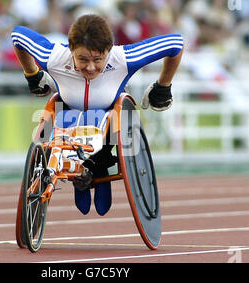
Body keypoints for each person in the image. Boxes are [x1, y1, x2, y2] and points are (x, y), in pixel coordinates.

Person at [11, 14, 183, 216]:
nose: (90, 67)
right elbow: (17, 36)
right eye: (82, 59)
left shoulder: (123, 58)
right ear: (71, 50)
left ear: (108, 52)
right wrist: (32, 74)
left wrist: (163, 86)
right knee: (60, 119)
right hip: (66, 118)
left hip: (107, 122)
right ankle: (76, 166)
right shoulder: (55, 57)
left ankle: (98, 164)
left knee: (103, 125)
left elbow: (175, 43)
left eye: (97, 60)